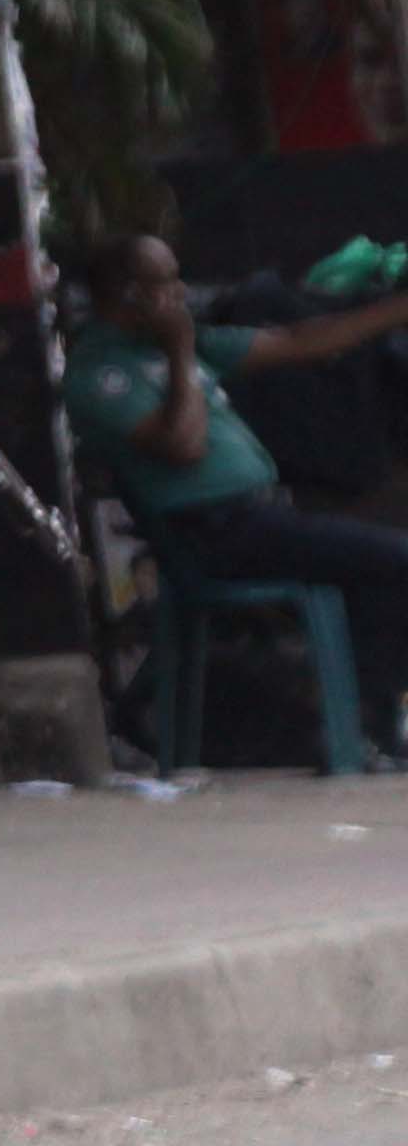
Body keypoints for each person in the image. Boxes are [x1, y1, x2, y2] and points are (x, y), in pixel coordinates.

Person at [61, 232, 408, 759]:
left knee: (376, 569)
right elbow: (185, 444)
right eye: (165, 282)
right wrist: (179, 355)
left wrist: (396, 309)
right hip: (211, 534)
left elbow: (304, 340)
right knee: (395, 561)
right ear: (129, 295)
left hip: (258, 519)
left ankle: (357, 717)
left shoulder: (189, 342)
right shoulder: (100, 373)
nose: (179, 292)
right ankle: (357, 725)